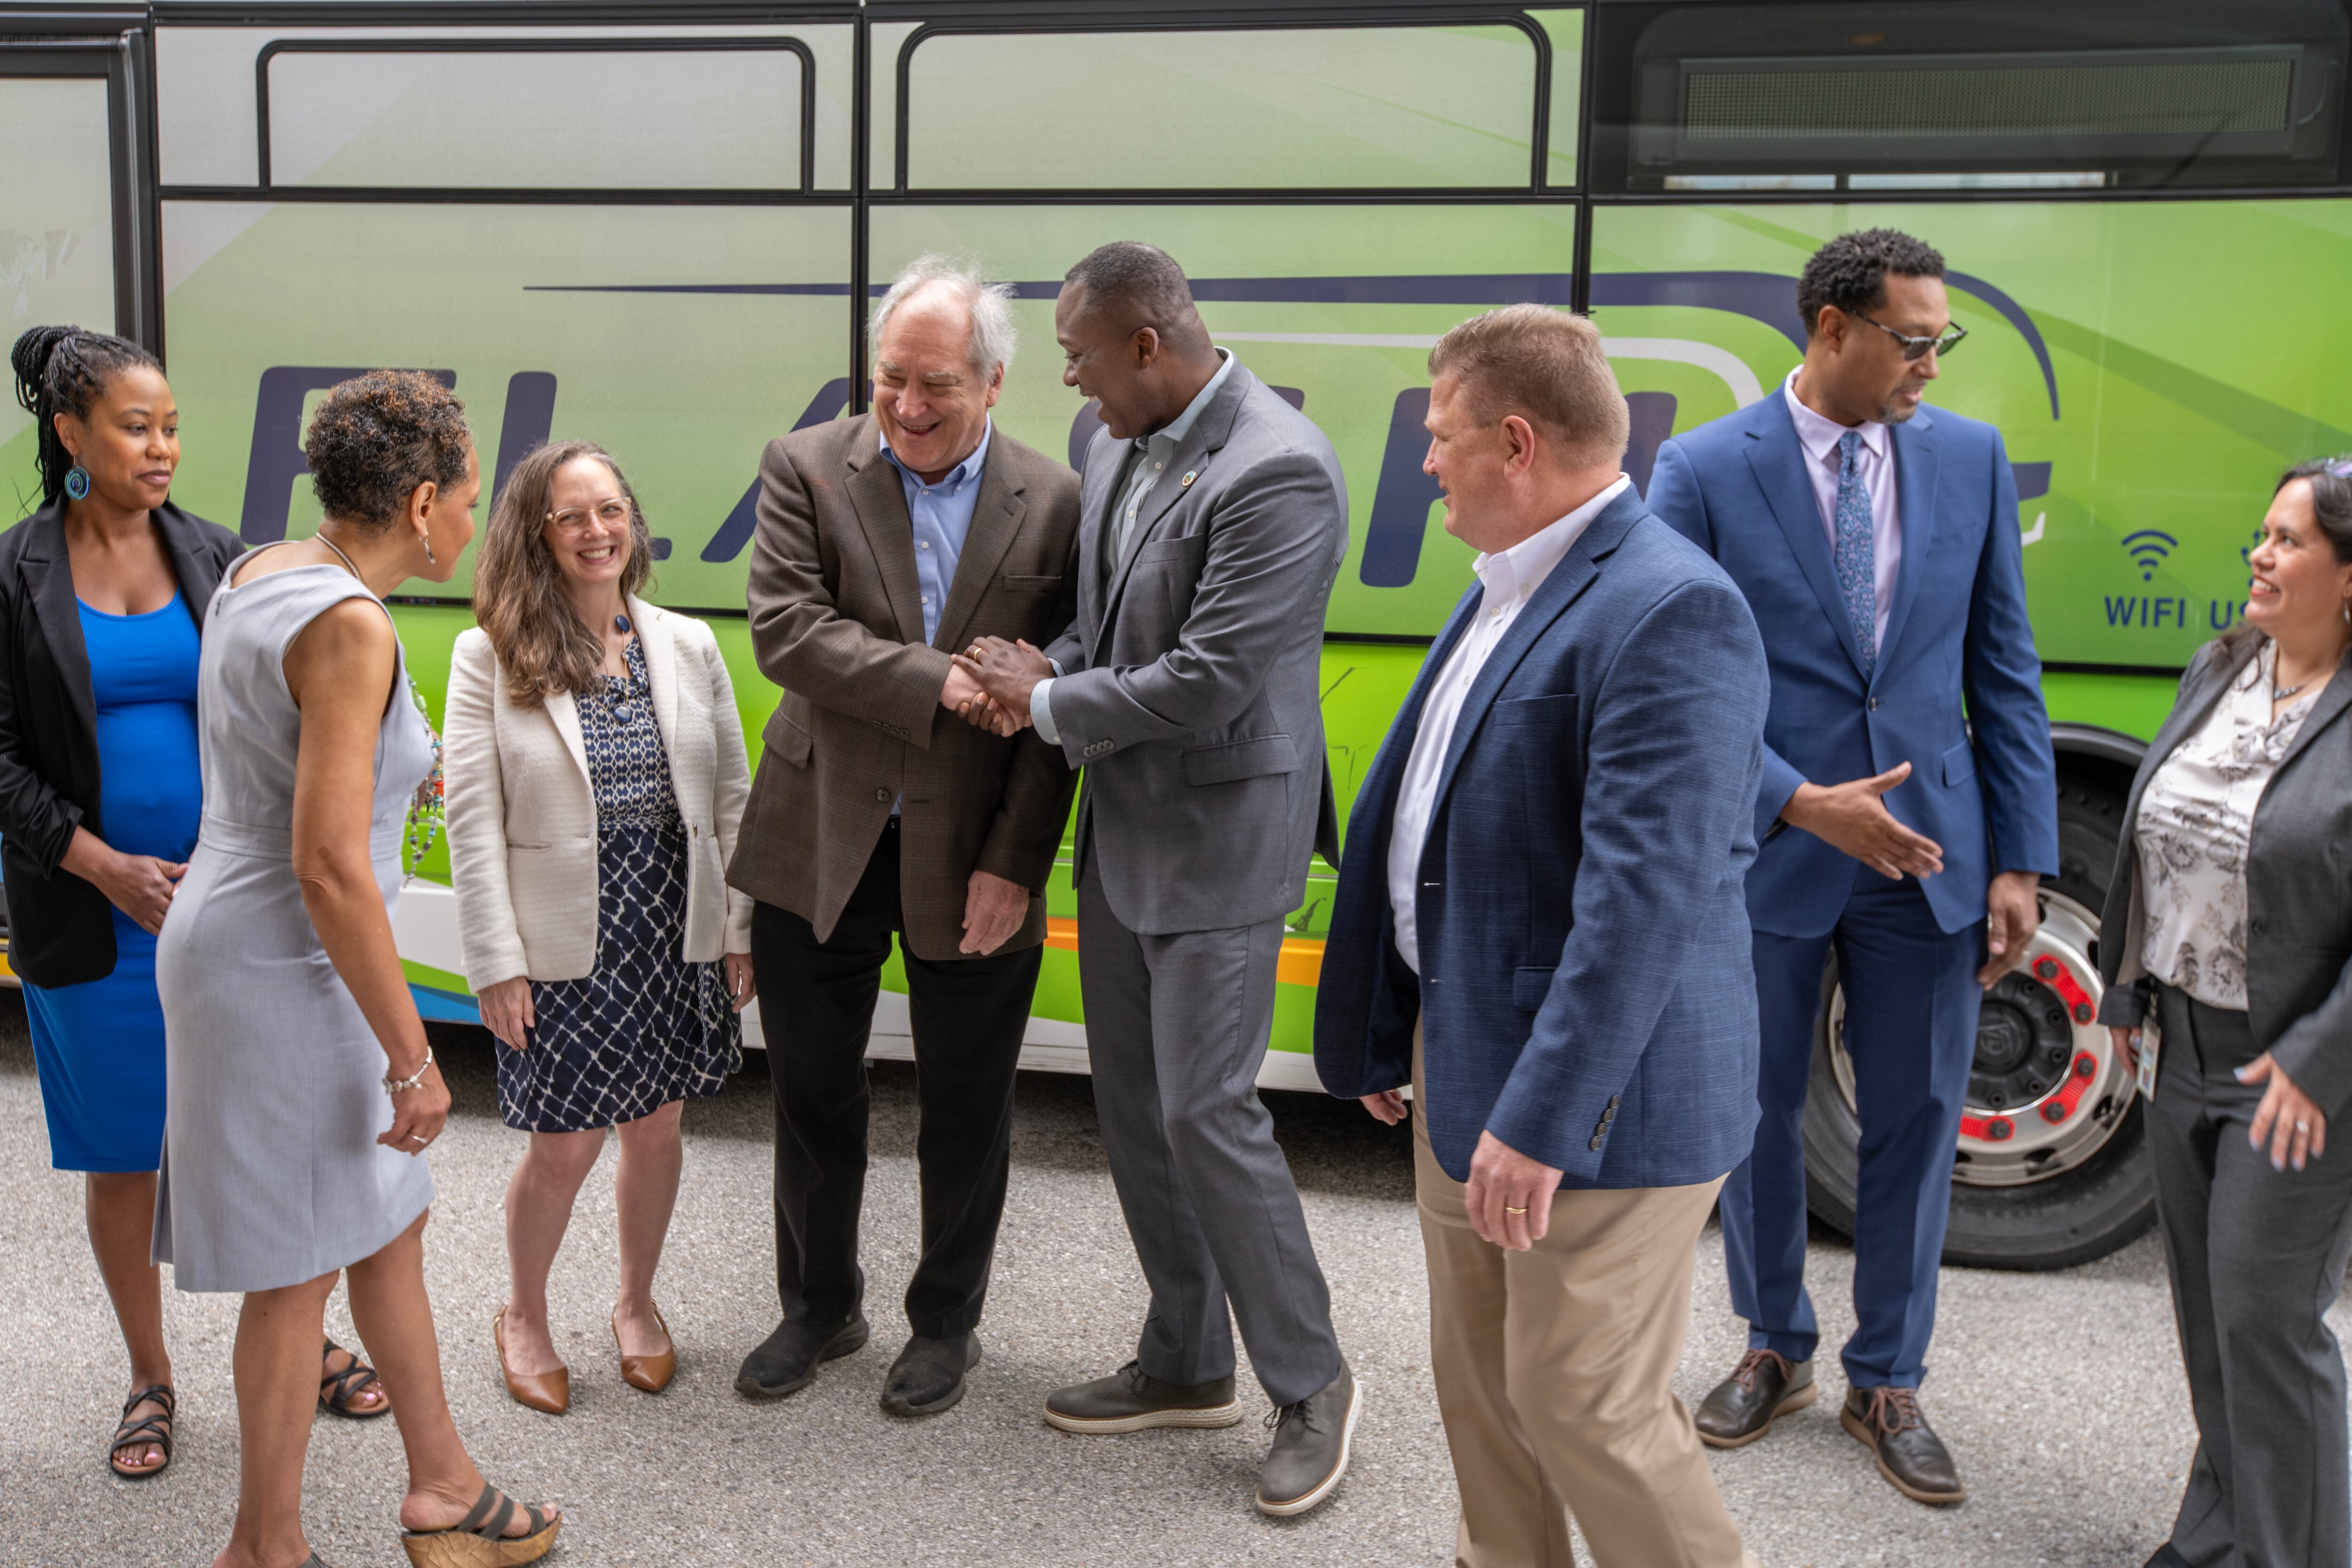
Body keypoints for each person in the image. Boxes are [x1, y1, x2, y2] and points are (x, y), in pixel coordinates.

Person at [1314, 304, 1767, 1567]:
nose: (1425, 460)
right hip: (1469, 1063)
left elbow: (1646, 900)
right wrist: (1388, 1026)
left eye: (1440, 433)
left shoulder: (1672, 603)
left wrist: (1542, 1114)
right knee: (1487, 1401)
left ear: (1515, 440)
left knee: (1581, 1400)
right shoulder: (1512, 586)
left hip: (1592, 1107)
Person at [1646, 227, 2058, 1505]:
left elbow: (2003, 667)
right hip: (1770, 847)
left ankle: (1890, 1373)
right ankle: (1776, 1343)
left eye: (1945, 341)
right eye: (1915, 339)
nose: (1933, 363)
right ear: (1833, 328)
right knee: (1756, 1114)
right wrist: (1799, 801)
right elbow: (1672, 673)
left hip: (1930, 853)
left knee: (1921, 1113)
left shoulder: (1972, 458)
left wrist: (2021, 859)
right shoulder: (1706, 469)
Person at [954, 240, 1356, 1517]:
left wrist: (1051, 695)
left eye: (1076, 351)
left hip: (1226, 840)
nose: (1062, 375)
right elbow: (1111, 617)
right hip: (1123, 831)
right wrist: (1046, 663)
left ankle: (1312, 1382)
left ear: (1147, 343)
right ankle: (1187, 1358)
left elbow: (1211, 676)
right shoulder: (1111, 435)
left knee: (1208, 1112)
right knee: (1135, 1106)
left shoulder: (1279, 469)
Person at [152, 370, 558, 1568]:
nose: (475, 524)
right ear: (421, 501)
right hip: (290, 955)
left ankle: (445, 1485)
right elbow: (329, 863)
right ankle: (262, 1548)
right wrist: (415, 1055)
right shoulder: (348, 623)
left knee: (385, 1221)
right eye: (470, 500)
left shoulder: (259, 570)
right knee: (295, 1271)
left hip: (255, 934)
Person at [1, 326, 392, 1483]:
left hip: (230, 914)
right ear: (70, 432)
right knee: (128, 1154)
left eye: (171, 424)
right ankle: (149, 1372)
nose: (164, 446)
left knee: (261, 1132)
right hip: (91, 918)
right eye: (137, 426)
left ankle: (300, 1331)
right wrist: (103, 864)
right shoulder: (13, 571)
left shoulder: (218, 554)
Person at [726, 257, 1081, 1418]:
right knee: (812, 1091)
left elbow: (1055, 709)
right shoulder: (805, 466)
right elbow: (786, 631)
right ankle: (820, 1305)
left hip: (973, 845)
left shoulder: (1059, 497)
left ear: (992, 381)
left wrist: (1016, 863)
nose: (909, 408)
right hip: (815, 831)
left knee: (967, 1102)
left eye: (936, 385)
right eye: (890, 381)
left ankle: (946, 1324)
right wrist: (941, 681)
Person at [445, 439, 755, 1416]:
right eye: (572, 515)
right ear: (535, 533)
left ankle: (635, 1301)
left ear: (634, 519)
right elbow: (471, 819)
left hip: (672, 921)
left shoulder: (686, 641)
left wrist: (738, 926)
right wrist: (495, 961)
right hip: (561, 940)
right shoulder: (488, 652)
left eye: (611, 509)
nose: (597, 530)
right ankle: (525, 1315)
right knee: (565, 1145)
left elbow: (733, 794)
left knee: (658, 1129)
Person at [2098, 459, 2352, 1568]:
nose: (2259, 553)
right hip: (2179, 1043)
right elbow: (2150, 833)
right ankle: (2218, 1535)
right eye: (2262, 532)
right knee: (2208, 1320)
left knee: (2268, 1324)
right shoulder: (2222, 666)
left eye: (2289, 540)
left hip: (2291, 1073)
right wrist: (2121, 989)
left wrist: (2315, 1060)